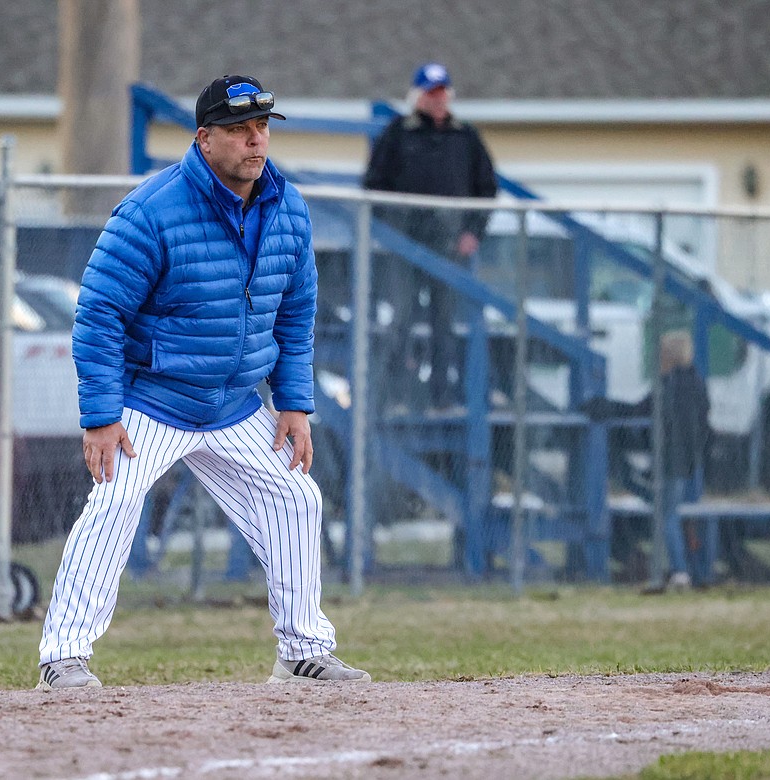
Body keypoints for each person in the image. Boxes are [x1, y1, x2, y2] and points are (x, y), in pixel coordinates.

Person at [37, 75, 371, 689]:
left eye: (263, 127)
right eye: (240, 130)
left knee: (298, 499)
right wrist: (101, 416)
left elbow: (296, 315)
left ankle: (303, 653)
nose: (256, 141)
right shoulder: (151, 210)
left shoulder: (287, 208)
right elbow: (98, 315)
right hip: (151, 400)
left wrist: (294, 405)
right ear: (204, 138)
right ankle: (63, 657)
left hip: (233, 405)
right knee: (112, 503)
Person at [363, 62, 498, 412]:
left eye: (442, 94)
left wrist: (473, 232)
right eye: (430, 94)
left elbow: (486, 188)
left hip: (449, 247)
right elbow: (373, 185)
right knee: (402, 318)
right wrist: (390, 229)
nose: (437, 101)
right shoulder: (398, 133)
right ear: (418, 97)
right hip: (404, 246)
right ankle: (395, 397)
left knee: (444, 323)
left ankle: (442, 398)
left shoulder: (466, 137)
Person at [585, 331, 710, 589]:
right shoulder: (696, 383)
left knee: (667, 514)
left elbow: (641, 410)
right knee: (662, 506)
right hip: (685, 461)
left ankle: (680, 571)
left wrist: (605, 408)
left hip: (670, 461)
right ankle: (678, 568)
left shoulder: (670, 385)